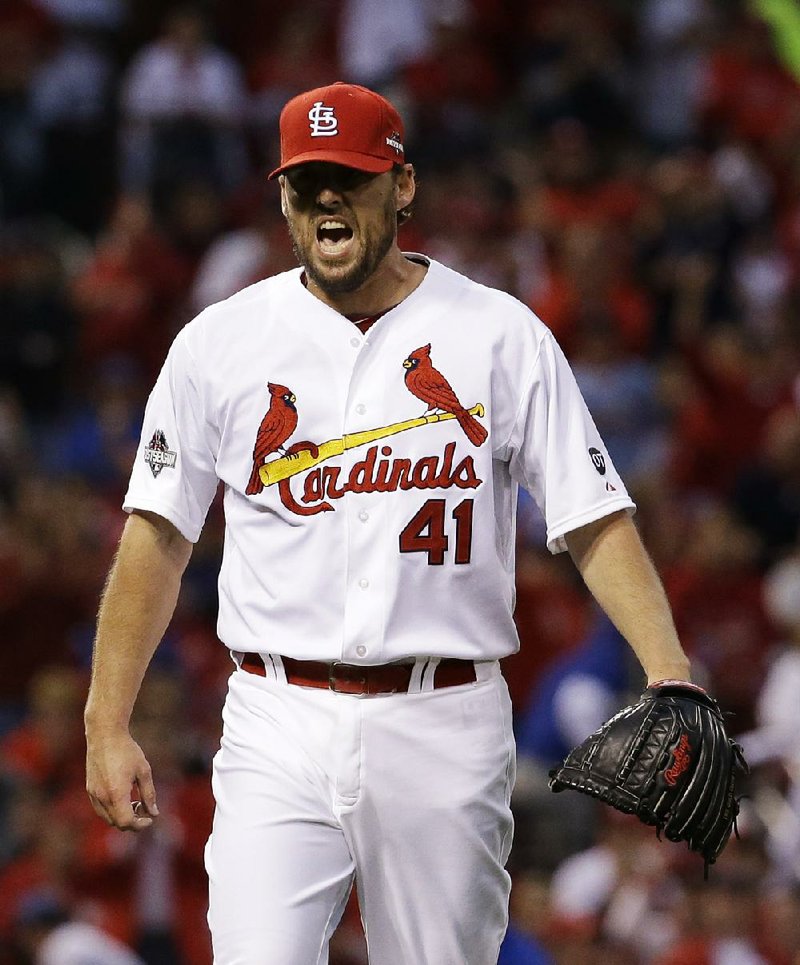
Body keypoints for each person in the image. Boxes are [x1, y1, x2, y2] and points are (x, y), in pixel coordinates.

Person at [84, 82, 694, 964]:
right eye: (306, 182)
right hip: (275, 715)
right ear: (283, 197)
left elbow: (595, 516)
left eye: (351, 178)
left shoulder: (498, 335)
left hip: (443, 718)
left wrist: (670, 672)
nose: (326, 198)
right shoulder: (220, 343)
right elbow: (156, 534)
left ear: (402, 186)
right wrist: (107, 719)